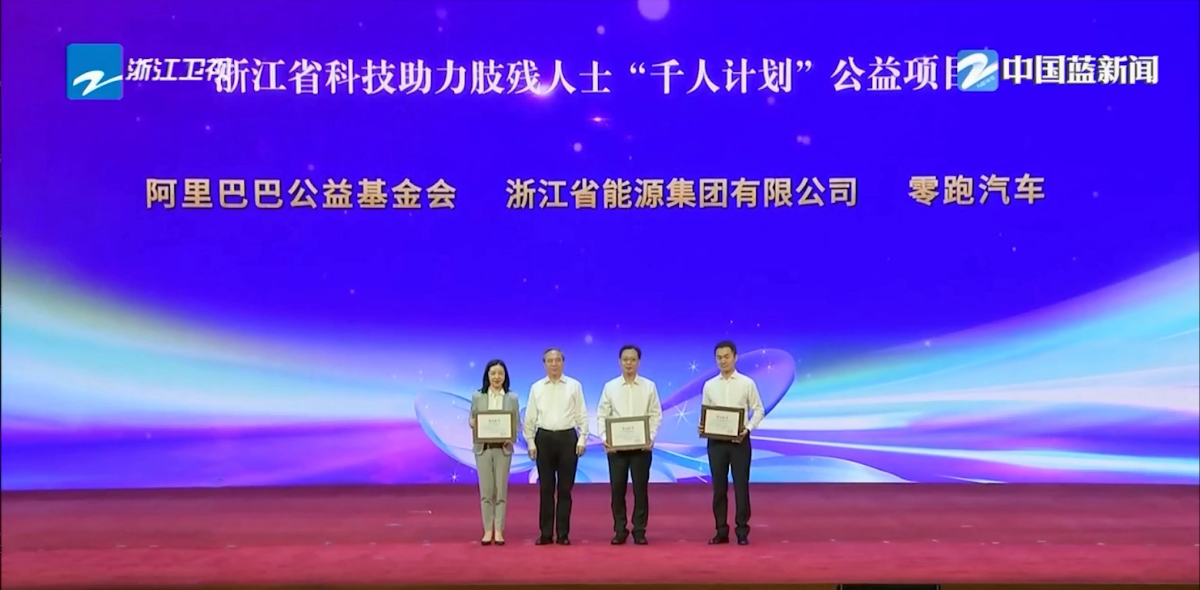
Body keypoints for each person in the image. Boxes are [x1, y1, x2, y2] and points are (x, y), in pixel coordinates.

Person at [699, 340, 765, 546]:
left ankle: (742, 531)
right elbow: (706, 412)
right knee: (718, 488)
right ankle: (721, 531)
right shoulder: (709, 385)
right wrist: (703, 426)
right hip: (716, 443)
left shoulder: (747, 383)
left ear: (735, 357)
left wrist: (748, 429)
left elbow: (759, 410)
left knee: (740, 487)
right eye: (719, 357)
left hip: (740, 442)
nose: (723, 361)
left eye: (727, 356)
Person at [597, 344, 662, 545]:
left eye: (633, 360)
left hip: (641, 448)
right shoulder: (610, 387)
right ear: (619, 362)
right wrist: (605, 438)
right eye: (625, 359)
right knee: (617, 490)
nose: (629, 363)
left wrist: (650, 437)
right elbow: (602, 415)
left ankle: (639, 530)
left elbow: (655, 414)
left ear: (639, 362)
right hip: (616, 449)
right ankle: (620, 529)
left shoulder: (649, 386)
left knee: (640, 490)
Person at [522, 348, 588, 545]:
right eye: (550, 360)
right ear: (544, 364)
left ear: (563, 362)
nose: (554, 364)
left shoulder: (574, 386)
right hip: (544, 439)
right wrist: (530, 442)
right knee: (546, 489)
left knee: (565, 490)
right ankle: (545, 533)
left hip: (568, 439)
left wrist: (582, 439)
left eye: (557, 360)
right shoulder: (536, 387)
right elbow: (530, 417)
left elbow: (582, 414)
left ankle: (563, 534)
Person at [469, 360, 520, 546]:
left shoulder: (512, 397)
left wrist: (511, 436)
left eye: (500, 373)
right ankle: (487, 530)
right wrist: (473, 423)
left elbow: (516, 423)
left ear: (505, 376)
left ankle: (498, 530)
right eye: (493, 373)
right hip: (483, 449)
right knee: (486, 492)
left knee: (500, 492)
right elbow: (472, 417)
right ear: (487, 376)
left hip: (503, 450)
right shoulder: (478, 396)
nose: (497, 377)